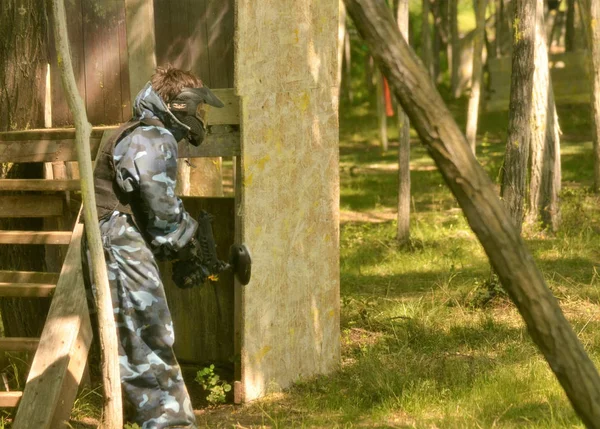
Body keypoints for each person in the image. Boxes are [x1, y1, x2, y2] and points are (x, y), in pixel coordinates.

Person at [85, 65, 224, 428]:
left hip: (120, 239)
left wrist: (179, 244)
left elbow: (155, 206)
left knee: (141, 335)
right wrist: (184, 240)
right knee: (148, 335)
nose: (200, 118)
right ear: (178, 106)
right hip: (119, 239)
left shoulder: (145, 133)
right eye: (198, 109)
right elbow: (160, 205)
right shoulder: (152, 136)